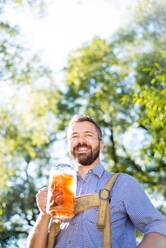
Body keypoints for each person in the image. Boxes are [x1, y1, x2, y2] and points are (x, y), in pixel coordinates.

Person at [27, 115, 166, 248]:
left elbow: (160, 230)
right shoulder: (57, 193)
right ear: (69, 146)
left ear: (101, 145)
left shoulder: (123, 184)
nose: (81, 140)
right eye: (74, 136)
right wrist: (44, 214)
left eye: (88, 135)